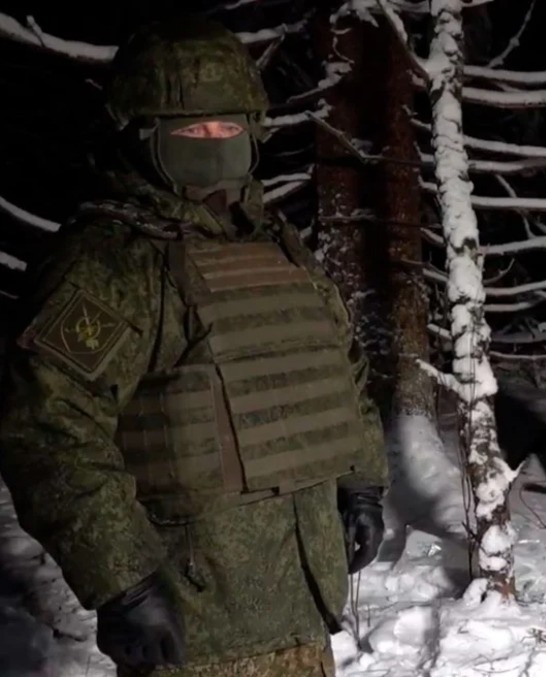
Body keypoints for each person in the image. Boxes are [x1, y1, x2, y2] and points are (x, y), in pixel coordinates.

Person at [0, 15, 389, 676]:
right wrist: (123, 579)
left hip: (302, 601)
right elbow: (48, 427)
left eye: (226, 128)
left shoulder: (276, 245)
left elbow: (341, 369)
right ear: (140, 137)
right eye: (190, 130)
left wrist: (362, 483)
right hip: (194, 619)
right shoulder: (113, 262)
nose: (212, 142)